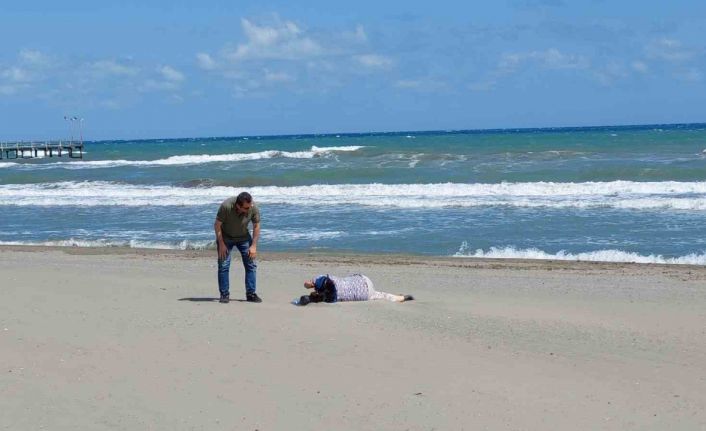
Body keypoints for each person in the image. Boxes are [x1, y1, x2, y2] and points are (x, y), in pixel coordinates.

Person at [214, 191, 261, 304]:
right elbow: (217, 225)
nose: (248, 210)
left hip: (244, 237)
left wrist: (253, 245)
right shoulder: (226, 206)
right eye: (245, 208)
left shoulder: (252, 207)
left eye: (249, 207)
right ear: (238, 206)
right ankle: (224, 294)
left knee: (251, 264)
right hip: (225, 237)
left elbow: (256, 225)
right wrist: (221, 244)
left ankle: (251, 294)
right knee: (224, 265)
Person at [295, 273, 414, 305]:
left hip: (364, 295)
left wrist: (309, 298)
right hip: (362, 280)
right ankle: (400, 297)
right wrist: (310, 284)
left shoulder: (329, 299)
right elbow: (308, 284)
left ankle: (400, 298)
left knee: (379, 295)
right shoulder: (322, 280)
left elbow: (310, 288)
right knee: (348, 281)